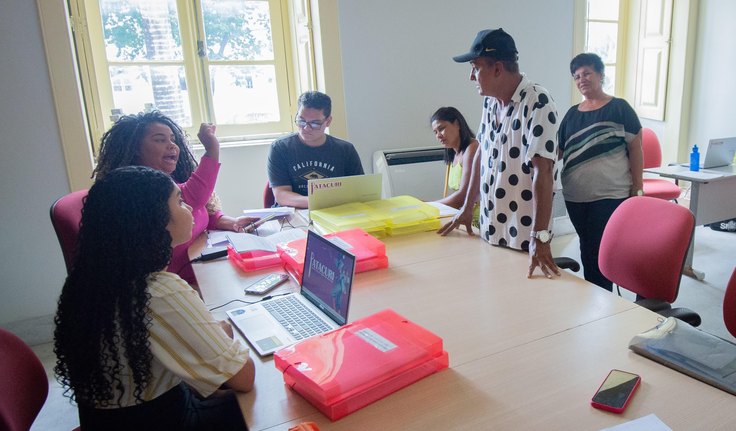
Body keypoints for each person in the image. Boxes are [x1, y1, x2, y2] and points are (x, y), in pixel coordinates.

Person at [54, 166, 255, 430]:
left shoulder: (95, 277)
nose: (189, 208)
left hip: (115, 419)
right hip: (163, 420)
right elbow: (244, 377)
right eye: (180, 201)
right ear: (155, 220)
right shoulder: (157, 291)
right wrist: (222, 332)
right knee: (272, 403)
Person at [438, 28, 561, 279]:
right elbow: (482, 154)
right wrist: (466, 206)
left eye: (476, 67)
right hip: (490, 228)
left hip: (524, 238)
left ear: (497, 69)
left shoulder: (537, 101)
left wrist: (540, 237)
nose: (472, 77)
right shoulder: (490, 102)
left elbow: (544, 172)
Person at [92, 112, 257, 284]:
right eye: (160, 140)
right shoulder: (136, 196)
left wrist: (226, 221)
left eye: (172, 139)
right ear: (134, 148)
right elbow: (195, 197)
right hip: (178, 284)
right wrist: (212, 150)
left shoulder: (172, 182)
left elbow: (201, 209)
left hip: (203, 271)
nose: (172, 145)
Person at [558, 53, 643, 291]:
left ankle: (601, 297)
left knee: (600, 248)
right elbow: (557, 151)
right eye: (576, 76)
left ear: (601, 75)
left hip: (609, 195)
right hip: (575, 196)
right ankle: (594, 294)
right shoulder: (572, 114)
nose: (581, 79)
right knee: (587, 245)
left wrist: (637, 186)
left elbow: (636, 147)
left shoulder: (619, 108)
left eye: (587, 73)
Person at [267, 91, 364, 208]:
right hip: (293, 215)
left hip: (335, 212)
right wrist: (318, 202)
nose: (306, 128)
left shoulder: (345, 150)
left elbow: (359, 190)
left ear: (328, 121)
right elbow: (282, 195)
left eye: (315, 123)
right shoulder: (280, 148)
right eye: (301, 120)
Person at [430, 107, 480, 224]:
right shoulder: (453, 154)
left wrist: (429, 205)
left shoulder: (473, 147)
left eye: (441, 129)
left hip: (476, 221)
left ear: (457, 124)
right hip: (459, 216)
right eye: (435, 132)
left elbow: (463, 196)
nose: (438, 135)